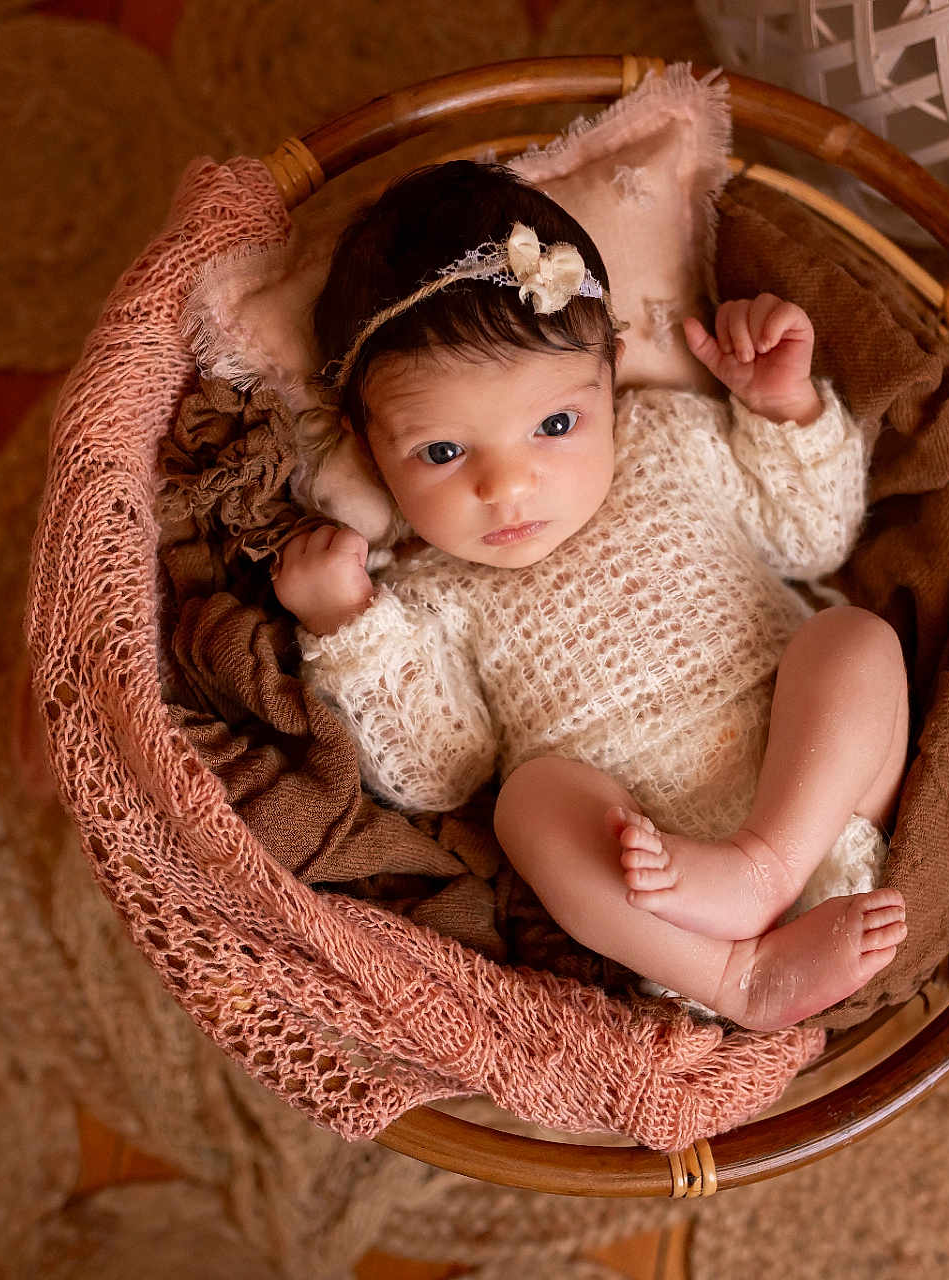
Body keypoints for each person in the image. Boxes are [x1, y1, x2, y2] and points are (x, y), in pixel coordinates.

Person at [273, 161, 908, 1030]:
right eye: (443, 453)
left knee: (854, 640)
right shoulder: (423, 590)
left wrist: (780, 406)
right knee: (527, 805)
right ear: (367, 444)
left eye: (556, 426)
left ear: (610, 374)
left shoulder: (669, 439)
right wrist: (345, 622)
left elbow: (813, 538)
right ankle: (738, 977)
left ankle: (767, 865)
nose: (508, 487)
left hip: (815, 793)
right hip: (648, 870)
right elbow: (441, 770)